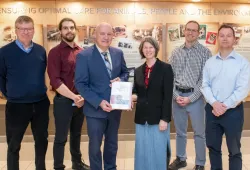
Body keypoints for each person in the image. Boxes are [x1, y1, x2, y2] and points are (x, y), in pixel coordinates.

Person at [75, 22, 129, 170]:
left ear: (113, 36)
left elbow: (125, 73)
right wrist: (98, 102)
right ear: (95, 35)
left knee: (112, 144)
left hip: (115, 108)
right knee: (95, 146)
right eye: (102, 34)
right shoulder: (84, 56)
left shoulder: (118, 53)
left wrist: (121, 79)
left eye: (109, 34)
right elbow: (80, 84)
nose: (106, 37)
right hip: (95, 110)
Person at [0, 15, 50, 170]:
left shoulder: (40, 50)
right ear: (16, 30)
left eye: (29, 29)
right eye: (22, 29)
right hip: (17, 106)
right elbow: (0, 77)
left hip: (40, 103)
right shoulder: (4, 52)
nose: (26, 32)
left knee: (42, 141)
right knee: (14, 144)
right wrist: (10, 94)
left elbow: (42, 73)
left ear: (34, 30)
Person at [201, 24, 250, 170]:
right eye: (222, 35)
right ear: (217, 38)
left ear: (234, 39)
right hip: (212, 111)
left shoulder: (243, 63)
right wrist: (215, 103)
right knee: (213, 149)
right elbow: (205, 85)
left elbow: (242, 90)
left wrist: (224, 106)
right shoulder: (209, 63)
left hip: (233, 112)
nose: (225, 38)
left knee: (234, 151)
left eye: (229, 35)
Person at [168, 20, 212, 170]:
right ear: (184, 31)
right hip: (177, 97)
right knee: (180, 132)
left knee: (199, 133)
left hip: (196, 98)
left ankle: (200, 163)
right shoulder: (175, 52)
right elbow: (170, 77)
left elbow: (204, 80)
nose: (190, 32)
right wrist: (175, 96)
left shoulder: (205, 53)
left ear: (199, 33)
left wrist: (190, 98)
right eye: (188, 30)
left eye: (194, 30)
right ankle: (181, 158)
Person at [47, 18, 89, 170]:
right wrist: (74, 97)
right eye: (65, 28)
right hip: (64, 101)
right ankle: (58, 166)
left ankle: (77, 164)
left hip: (81, 101)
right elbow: (55, 80)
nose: (69, 30)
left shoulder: (82, 52)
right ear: (60, 31)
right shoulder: (54, 53)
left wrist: (83, 96)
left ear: (75, 30)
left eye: (72, 27)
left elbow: (86, 78)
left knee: (76, 134)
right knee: (61, 137)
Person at [131, 37, 173, 170]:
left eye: (151, 47)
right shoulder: (138, 71)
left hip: (159, 118)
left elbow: (168, 96)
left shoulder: (166, 68)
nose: (148, 50)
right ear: (141, 50)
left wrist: (165, 119)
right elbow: (136, 92)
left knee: (158, 150)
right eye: (145, 48)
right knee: (142, 150)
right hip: (141, 118)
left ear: (155, 49)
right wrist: (128, 98)